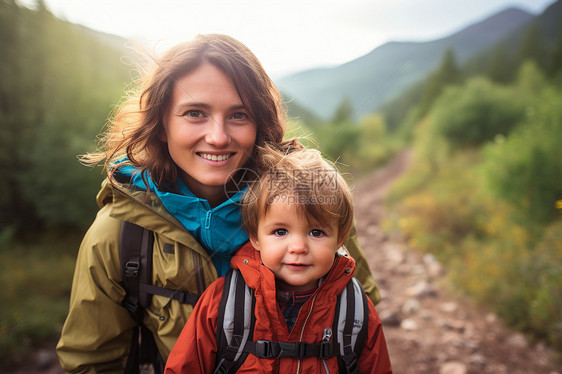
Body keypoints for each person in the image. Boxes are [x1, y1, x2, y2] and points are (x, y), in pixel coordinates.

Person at [56, 33, 381, 373]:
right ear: (162, 124)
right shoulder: (119, 234)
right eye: (195, 113)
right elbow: (92, 362)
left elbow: (361, 314)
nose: (218, 137)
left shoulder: (311, 204)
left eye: (239, 115)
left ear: (259, 125)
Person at [164, 146, 392, 373]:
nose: (298, 248)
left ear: (339, 239)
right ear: (255, 236)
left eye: (316, 233)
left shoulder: (355, 309)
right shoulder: (224, 302)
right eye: (281, 232)